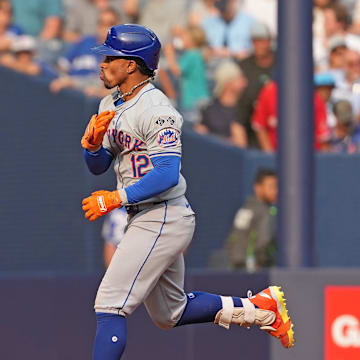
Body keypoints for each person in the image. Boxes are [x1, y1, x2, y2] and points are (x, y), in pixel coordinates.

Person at [80, 24, 295, 359]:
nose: (102, 63)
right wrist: (93, 148)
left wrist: (115, 198)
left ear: (132, 65)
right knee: (170, 313)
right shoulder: (111, 101)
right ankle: (259, 308)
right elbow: (98, 166)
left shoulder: (157, 109)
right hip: (146, 214)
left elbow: (167, 174)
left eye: (111, 57)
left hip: (163, 213)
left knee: (109, 304)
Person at [50, 8, 119, 96]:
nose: (105, 28)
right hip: (67, 93)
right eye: (102, 23)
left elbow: (103, 85)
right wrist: (62, 79)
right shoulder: (85, 41)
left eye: (110, 24)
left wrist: (73, 83)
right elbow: (61, 67)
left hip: (88, 99)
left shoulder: (117, 54)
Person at [252, 80, 330, 152]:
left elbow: (322, 138)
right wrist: (270, 157)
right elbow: (260, 126)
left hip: (307, 156)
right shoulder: (270, 91)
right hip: (276, 154)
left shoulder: (314, 98)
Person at [226, 168, 277, 271]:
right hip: (255, 269)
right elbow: (264, 241)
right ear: (258, 187)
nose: (275, 191)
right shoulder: (265, 211)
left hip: (235, 266)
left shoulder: (245, 208)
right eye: (271, 187)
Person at [236, 21, 275, 148]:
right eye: (255, 41)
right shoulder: (245, 66)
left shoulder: (281, 62)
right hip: (251, 123)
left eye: (262, 40)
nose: (259, 45)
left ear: (269, 41)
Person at [195, 60, 247, 147]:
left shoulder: (246, 109)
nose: (245, 82)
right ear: (228, 83)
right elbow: (199, 137)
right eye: (240, 78)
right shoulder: (210, 110)